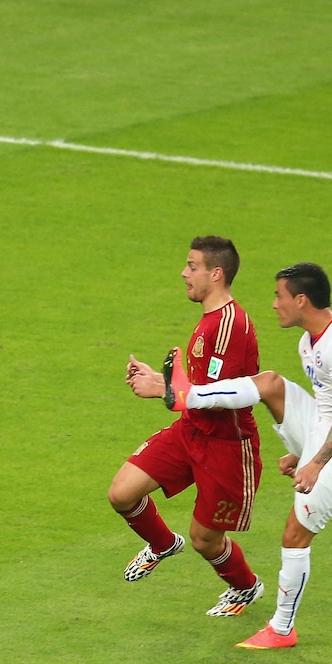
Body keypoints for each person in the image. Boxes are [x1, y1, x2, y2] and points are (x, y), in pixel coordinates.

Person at [131, 263, 332, 648]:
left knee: (295, 535)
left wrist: (315, 462)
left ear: (301, 299)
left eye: (279, 295)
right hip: (321, 425)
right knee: (271, 383)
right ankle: (187, 394)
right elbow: (326, 409)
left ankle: (282, 629)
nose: (274, 303)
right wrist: (300, 449)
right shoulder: (309, 341)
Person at [109, 236, 266, 617]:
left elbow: (219, 396)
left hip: (227, 445)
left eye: (192, 266)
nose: (184, 273)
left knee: (205, 540)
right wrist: (161, 383)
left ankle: (246, 587)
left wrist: (160, 391)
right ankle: (163, 544)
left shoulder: (230, 325)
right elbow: (195, 392)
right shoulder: (211, 319)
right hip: (191, 430)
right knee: (122, 494)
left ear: (216, 273)